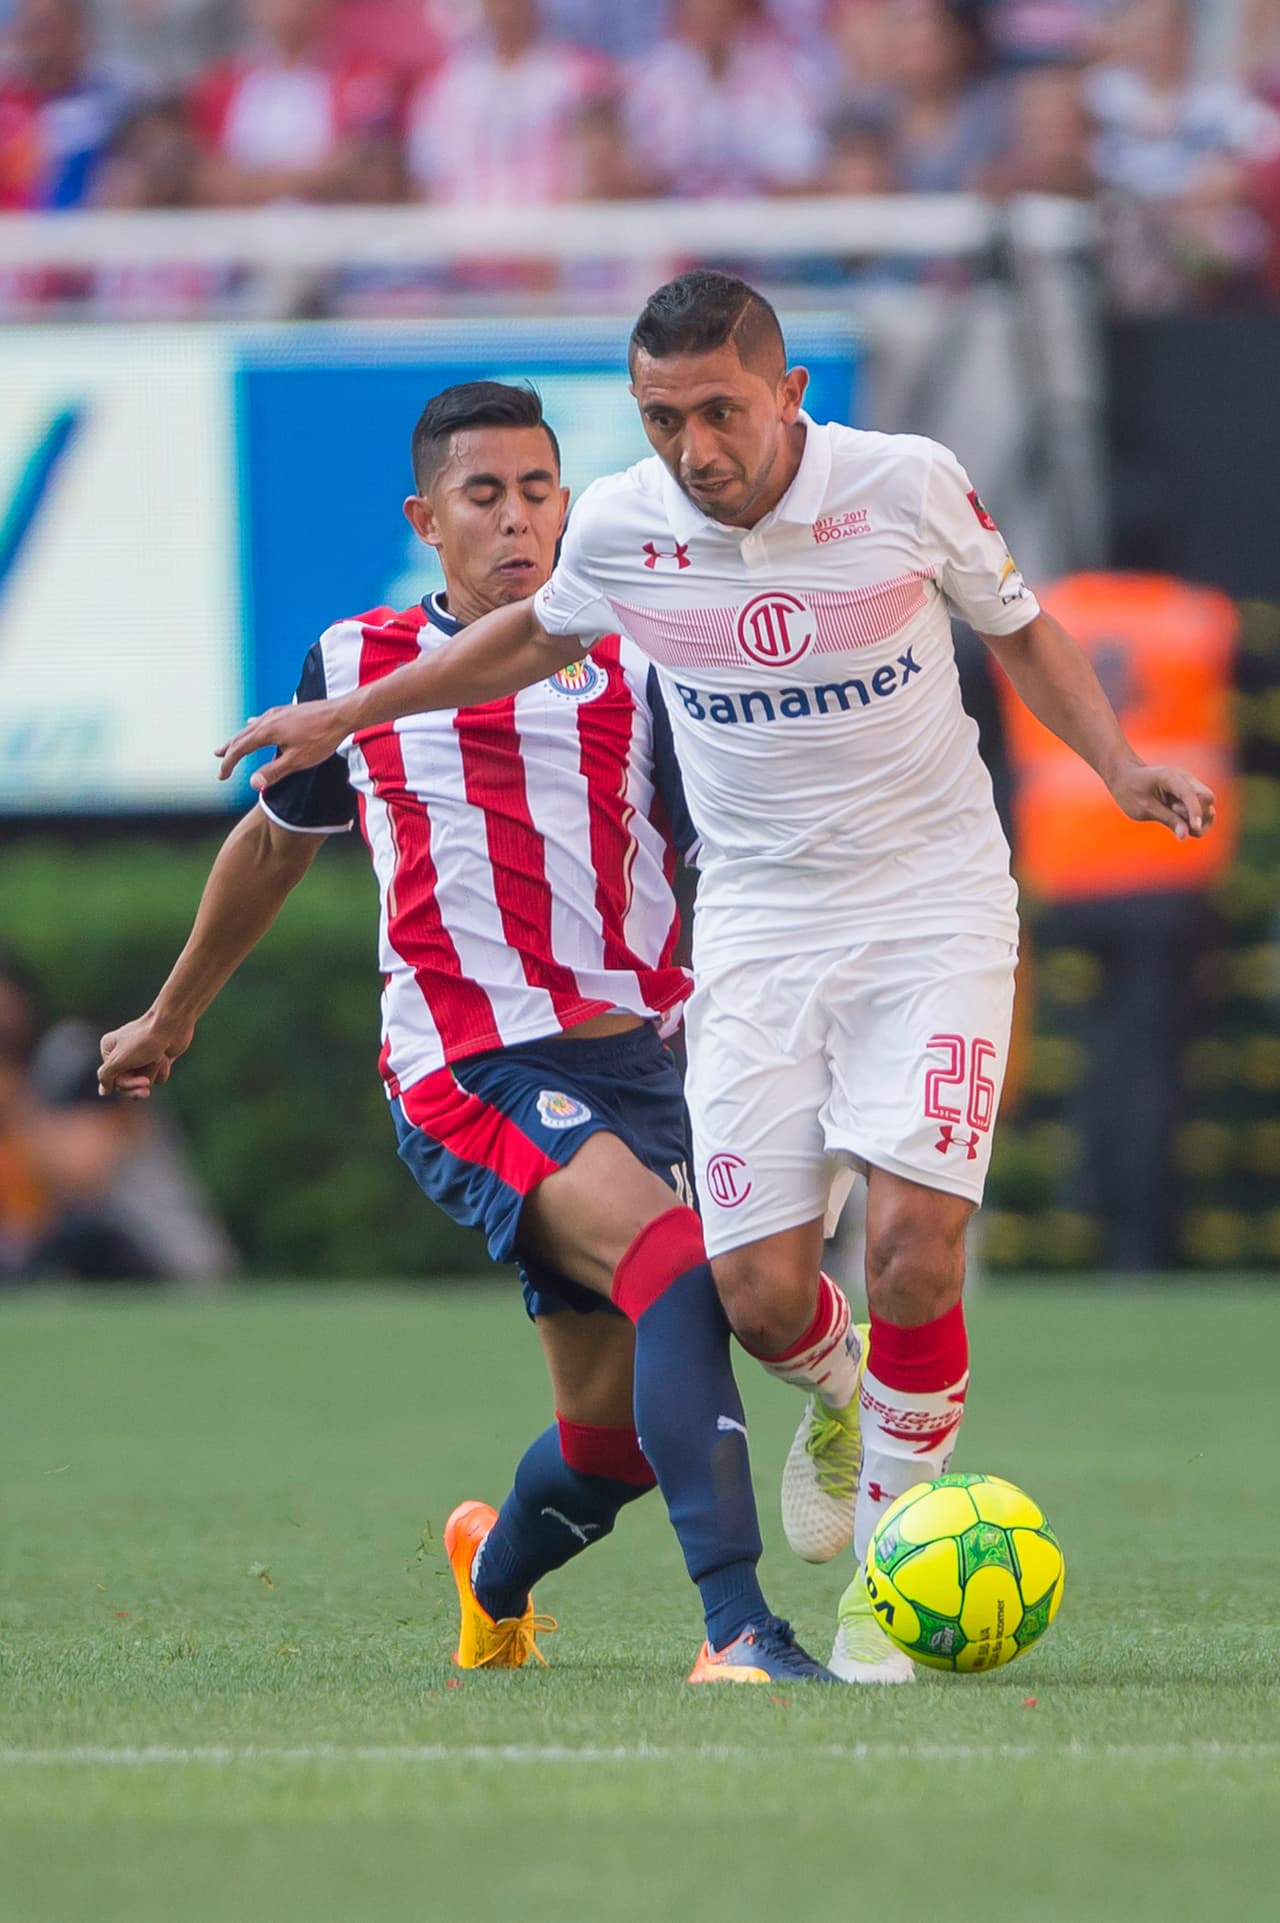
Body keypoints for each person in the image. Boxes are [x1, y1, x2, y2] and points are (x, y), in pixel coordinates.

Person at [219, 274, 1218, 1683]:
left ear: (788, 392)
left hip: (932, 909)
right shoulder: (626, 526)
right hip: (754, 930)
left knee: (914, 1253)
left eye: (720, 412)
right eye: (662, 417)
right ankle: (838, 1389)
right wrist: (350, 711)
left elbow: (1023, 626)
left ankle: (880, 1585)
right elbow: (529, 639)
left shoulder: (906, 485)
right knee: (751, 1297)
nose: (695, 448)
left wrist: (1114, 768)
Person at [100, 380, 834, 1688]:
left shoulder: (645, 648)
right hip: (470, 1064)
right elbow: (277, 842)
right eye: (485, 496)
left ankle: (490, 1579)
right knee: (677, 1270)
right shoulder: (354, 663)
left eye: (540, 492)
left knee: (605, 1445)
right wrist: (173, 1012)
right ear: (425, 519)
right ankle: (738, 1632)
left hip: (643, 1064)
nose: (519, 522)